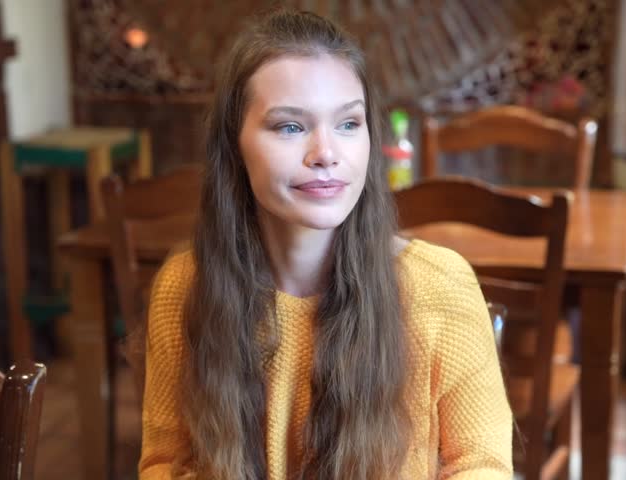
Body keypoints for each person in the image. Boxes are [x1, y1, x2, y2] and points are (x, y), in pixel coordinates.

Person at [139, 9, 512, 480]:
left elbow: (482, 466)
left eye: (349, 124)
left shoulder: (439, 285)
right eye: (290, 127)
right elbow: (164, 464)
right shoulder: (185, 287)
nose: (327, 154)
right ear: (235, 147)